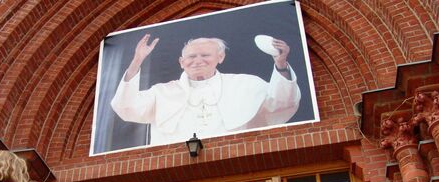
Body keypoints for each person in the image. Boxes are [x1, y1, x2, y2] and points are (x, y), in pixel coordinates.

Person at [111, 35, 301, 146]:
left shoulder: (245, 84)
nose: (197, 60)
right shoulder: (162, 92)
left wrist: (281, 63)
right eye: (191, 56)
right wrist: (137, 61)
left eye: (205, 55)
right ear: (181, 62)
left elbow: (283, 104)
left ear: (220, 57)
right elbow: (125, 107)